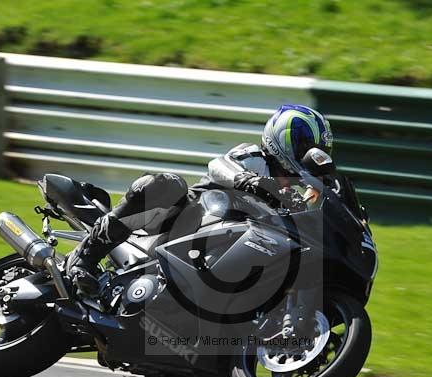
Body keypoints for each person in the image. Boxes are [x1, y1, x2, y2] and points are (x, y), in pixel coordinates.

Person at [66, 104, 335, 295]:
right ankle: (84, 258)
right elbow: (219, 164)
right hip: (182, 224)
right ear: (284, 138)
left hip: (226, 258)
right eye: (303, 144)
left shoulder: (299, 192)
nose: (308, 153)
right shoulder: (255, 158)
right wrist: (245, 180)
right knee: (167, 185)